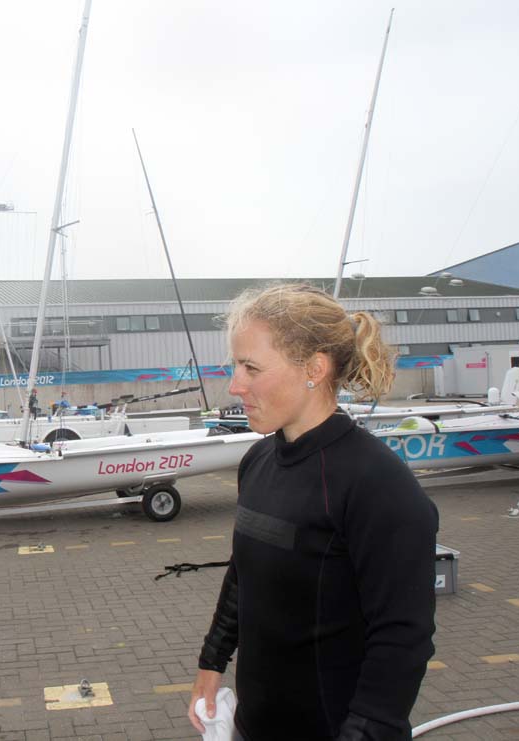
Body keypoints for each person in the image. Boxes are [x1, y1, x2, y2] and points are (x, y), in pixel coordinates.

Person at [188, 283, 437, 740]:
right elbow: (244, 576)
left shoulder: (377, 483)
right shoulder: (258, 462)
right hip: (253, 724)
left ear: (314, 369)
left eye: (251, 367)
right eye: (235, 365)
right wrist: (212, 663)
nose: (234, 385)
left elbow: (403, 639)